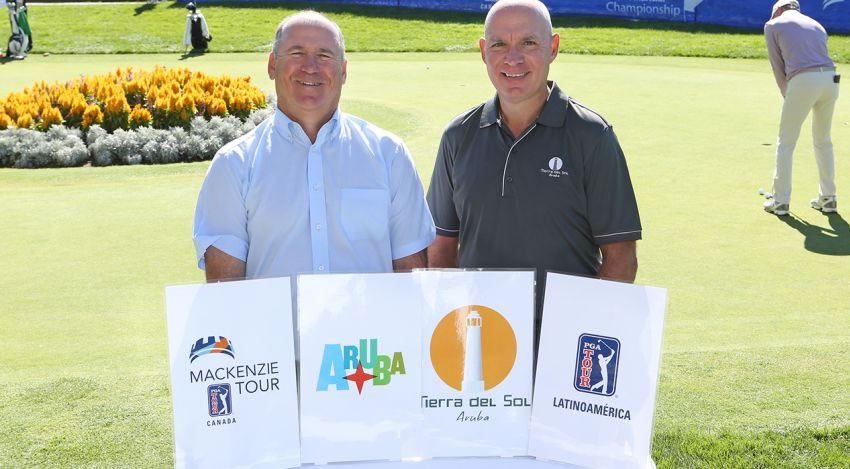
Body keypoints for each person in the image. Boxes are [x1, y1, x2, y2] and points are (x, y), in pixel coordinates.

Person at [192, 11, 435, 344]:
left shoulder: (389, 154)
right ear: (272, 65)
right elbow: (225, 292)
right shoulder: (233, 165)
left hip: (368, 369)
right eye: (296, 53)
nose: (311, 66)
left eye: (324, 55)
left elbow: (411, 274)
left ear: (343, 71)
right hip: (273, 373)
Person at [426, 0, 641, 342]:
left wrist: (584, 339)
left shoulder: (592, 136)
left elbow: (621, 258)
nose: (513, 59)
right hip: (479, 342)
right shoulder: (458, 136)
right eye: (499, 44)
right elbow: (440, 247)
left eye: (528, 43)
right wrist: (450, 330)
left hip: (564, 342)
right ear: (483, 51)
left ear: (552, 48)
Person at [763, 0, 840, 216]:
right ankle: (829, 198)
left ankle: (780, 201)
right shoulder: (816, 24)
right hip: (832, 80)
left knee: (786, 142)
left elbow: (777, 65)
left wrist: (786, 94)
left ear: (778, 10)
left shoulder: (772, 25)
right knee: (823, 140)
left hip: (804, 81)